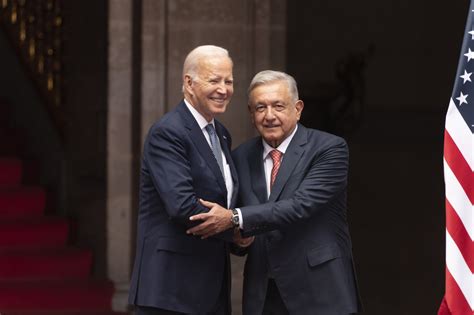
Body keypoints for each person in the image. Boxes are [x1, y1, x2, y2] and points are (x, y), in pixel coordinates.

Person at [187, 70, 362, 314]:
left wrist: (234, 217)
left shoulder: (329, 149)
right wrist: (238, 240)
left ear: (298, 108)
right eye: (260, 108)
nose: (269, 116)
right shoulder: (239, 157)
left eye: (278, 106)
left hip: (319, 290)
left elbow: (301, 205)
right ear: (251, 113)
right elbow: (237, 231)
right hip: (263, 293)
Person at [128, 45, 243, 315]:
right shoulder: (168, 132)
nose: (224, 89)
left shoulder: (221, 134)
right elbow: (182, 206)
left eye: (229, 81)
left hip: (209, 287)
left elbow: (223, 198)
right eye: (214, 80)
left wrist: (238, 226)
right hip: (171, 289)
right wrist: (236, 226)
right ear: (189, 83)